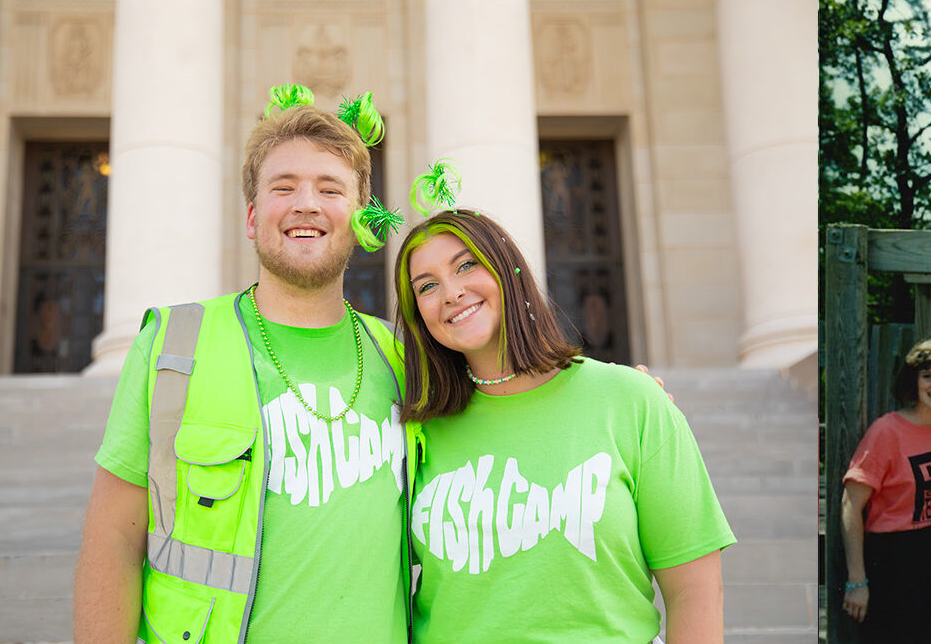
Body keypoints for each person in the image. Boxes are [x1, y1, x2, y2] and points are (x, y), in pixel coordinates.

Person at [74, 94, 416, 642]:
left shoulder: (403, 356)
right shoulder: (172, 345)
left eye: (331, 189)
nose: (307, 204)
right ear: (254, 217)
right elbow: (113, 539)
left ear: (363, 219)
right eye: (284, 187)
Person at [395, 210, 733, 643]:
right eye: (427, 286)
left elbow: (696, 593)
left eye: (466, 264)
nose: (452, 292)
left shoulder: (630, 399)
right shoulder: (415, 429)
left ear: (508, 269)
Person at [841, 334, 931, 642]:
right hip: (893, 558)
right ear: (914, 380)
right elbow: (851, 506)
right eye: (928, 376)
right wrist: (856, 580)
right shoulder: (887, 431)